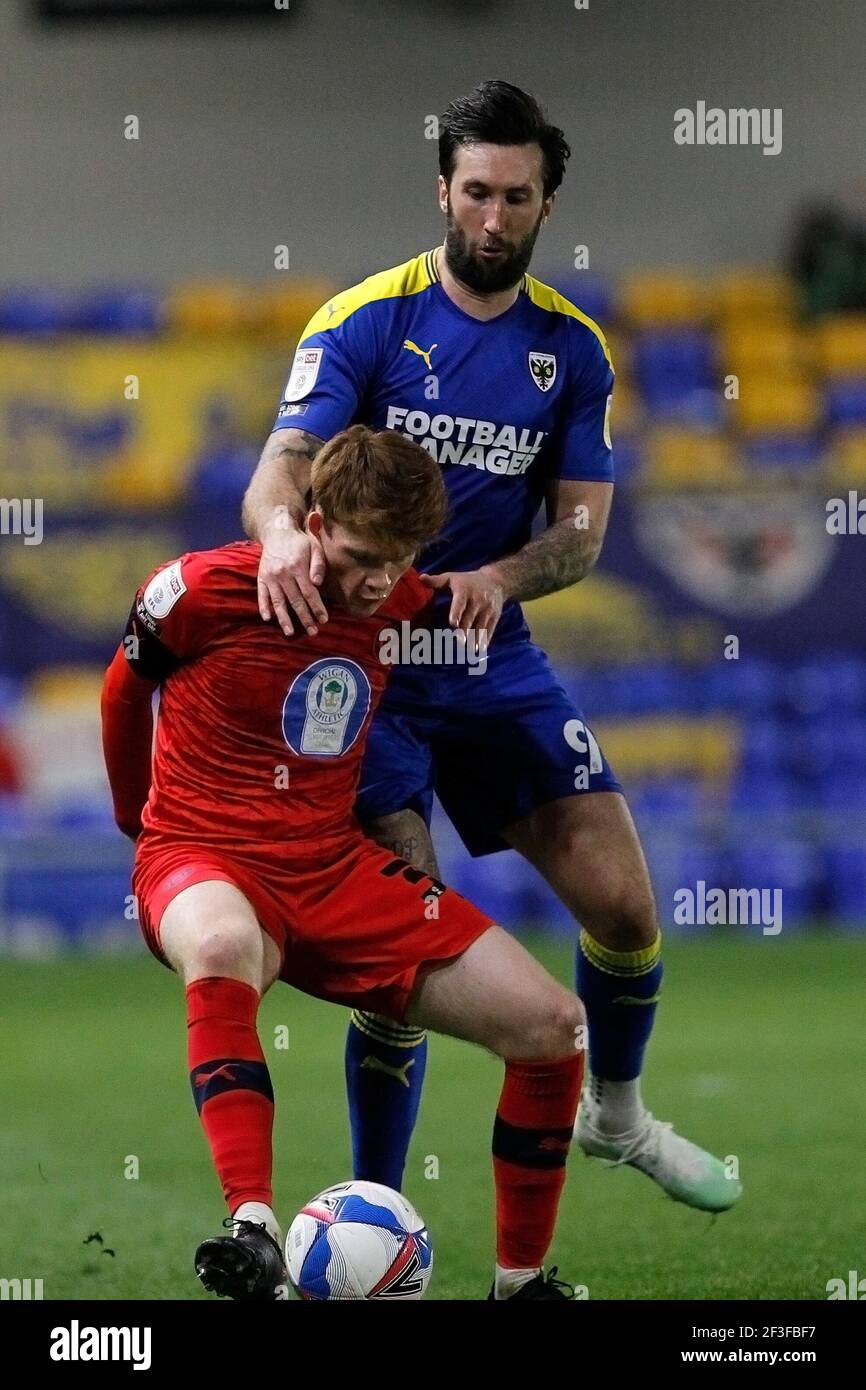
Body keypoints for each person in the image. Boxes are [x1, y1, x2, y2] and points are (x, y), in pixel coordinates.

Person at [241, 81, 741, 1213]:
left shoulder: (569, 350)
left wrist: (497, 577)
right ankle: (377, 1216)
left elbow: (580, 532)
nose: (490, 217)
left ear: (545, 204)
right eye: (474, 192)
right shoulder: (366, 319)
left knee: (621, 903)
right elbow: (277, 469)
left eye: (515, 196)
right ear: (442, 191)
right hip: (365, 670)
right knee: (399, 941)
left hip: (489, 653)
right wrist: (277, 536)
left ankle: (612, 1115)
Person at [101, 425, 586, 1301]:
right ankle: (252, 1229)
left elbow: (468, 620)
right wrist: (137, 825)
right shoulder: (201, 591)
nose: (376, 580)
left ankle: (521, 1283)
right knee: (218, 946)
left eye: (397, 560)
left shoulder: (399, 602)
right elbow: (122, 689)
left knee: (553, 1024)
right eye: (362, 555)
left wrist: (490, 586)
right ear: (312, 522)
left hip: (331, 870)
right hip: (201, 856)